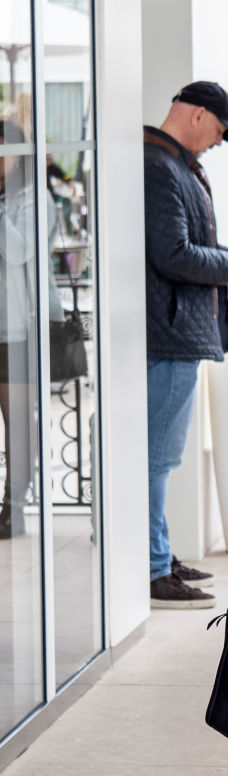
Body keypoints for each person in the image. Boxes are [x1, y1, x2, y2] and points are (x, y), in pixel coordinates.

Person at [143, 81, 228, 609]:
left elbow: (184, 245)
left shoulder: (171, 163)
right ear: (196, 115)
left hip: (177, 332)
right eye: (218, 131)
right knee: (156, 457)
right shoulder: (159, 166)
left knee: (160, 456)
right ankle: (151, 566)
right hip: (169, 334)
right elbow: (172, 253)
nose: (218, 142)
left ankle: (158, 555)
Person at [0, 119, 35, 539]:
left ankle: (15, 505)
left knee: (18, 422)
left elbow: (19, 250)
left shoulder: (31, 197)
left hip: (15, 330)